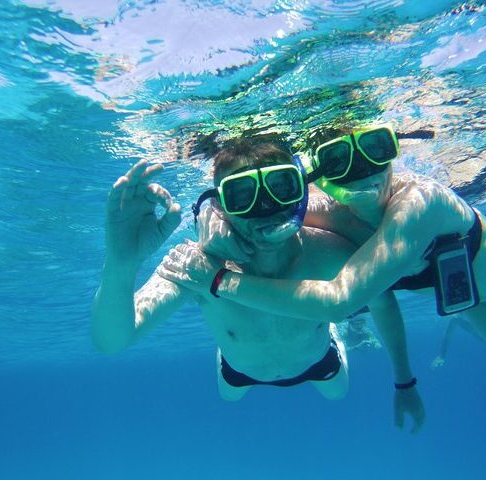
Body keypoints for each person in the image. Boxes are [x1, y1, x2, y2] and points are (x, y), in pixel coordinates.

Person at [92, 140, 425, 432]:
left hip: (318, 361)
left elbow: (383, 301)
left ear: (301, 191)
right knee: (230, 398)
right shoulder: (196, 267)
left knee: (338, 394)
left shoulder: (327, 253)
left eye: (281, 187)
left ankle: (335, 333)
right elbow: (113, 340)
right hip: (237, 371)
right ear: (220, 206)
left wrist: (405, 381)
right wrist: (122, 262)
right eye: (243, 195)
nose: (265, 209)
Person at [158, 124, 486, 370]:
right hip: (482, 294)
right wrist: (209, 214)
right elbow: (251, 204)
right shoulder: (315, 210)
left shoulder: (421, 203)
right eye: (339, 161)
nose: (364, 170)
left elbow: (340, 300)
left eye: (376, 149)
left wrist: (219, 281)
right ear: (318, 178)